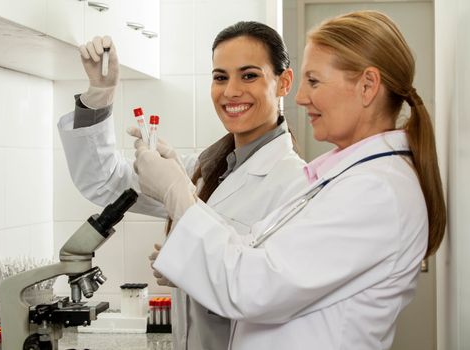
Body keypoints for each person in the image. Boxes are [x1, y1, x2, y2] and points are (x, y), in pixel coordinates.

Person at [134, 10, 447, 350]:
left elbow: (251, 286)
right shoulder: (348, 177)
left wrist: (176, 193)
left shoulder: (377, 191)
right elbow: (252, 249)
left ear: (367, 86)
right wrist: (184, 202)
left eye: (314, 81)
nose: (299, 97)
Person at [58, 22, 307, 349]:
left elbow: (267, 293)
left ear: (284, 82)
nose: (231, 91)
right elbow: (104, 181)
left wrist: (193, 267)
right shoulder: (205, 169)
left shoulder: (296, 184)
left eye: (249, 75)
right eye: (220, 77)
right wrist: (99, 96)